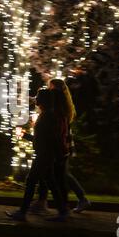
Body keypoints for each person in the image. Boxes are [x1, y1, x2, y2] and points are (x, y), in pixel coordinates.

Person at [6, 89, 69, 221]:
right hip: (45, 153)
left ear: (44, 100)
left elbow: (51, 138)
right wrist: (24, 135)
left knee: (31, 180)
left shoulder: (48, 116)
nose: (36, 99)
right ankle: (63, 211)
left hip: (45, 155)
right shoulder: (45, 115)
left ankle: (22, 212)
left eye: (38, 97)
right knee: (50, 182)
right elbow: (40, 138)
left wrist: (56, 154)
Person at [32, 79, 91, 213]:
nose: (48, 89)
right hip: (63, 142)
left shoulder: (58, 105)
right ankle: (46, 202)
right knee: (58, 173)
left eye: (50, 87)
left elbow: (58, 126)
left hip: (60, 143)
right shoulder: (63, 104)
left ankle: (64, 204)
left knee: (58, 173)